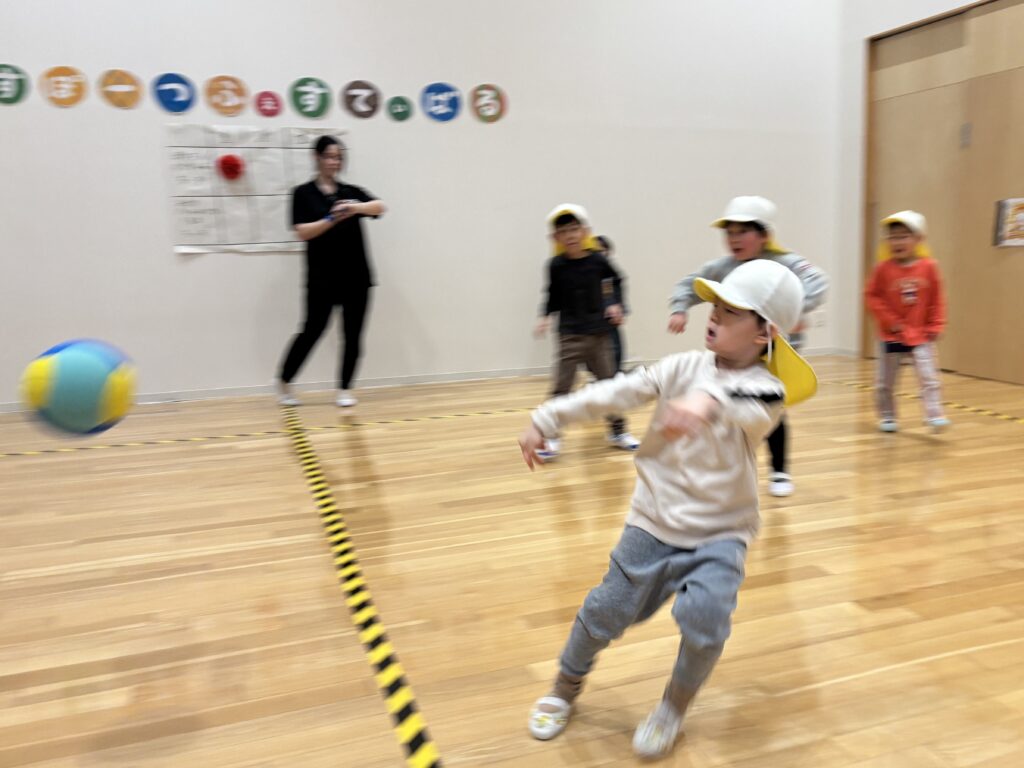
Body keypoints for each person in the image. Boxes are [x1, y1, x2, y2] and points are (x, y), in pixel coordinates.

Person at [520, 258, 817, 759]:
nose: (714, 315)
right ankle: (564, 686)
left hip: (721, 534)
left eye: (731, 311)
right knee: (604, 612)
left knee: (706, 621)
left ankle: (672, 709)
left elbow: (746, 403)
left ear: (764, 332)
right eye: (715, 306)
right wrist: (547, 417)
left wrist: (706, 403)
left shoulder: (769, 389)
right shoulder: (681, 367)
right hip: (653, 522)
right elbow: (616, 392)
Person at [668, 196, 827, 497]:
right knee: (725, 403)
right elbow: (689, 284)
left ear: (764, 235)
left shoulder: (786, 263)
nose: (734, 239)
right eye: (730, 232)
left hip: (773, 352)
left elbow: (818, 282)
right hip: (737, 351)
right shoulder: (723, 268)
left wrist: (792, 311)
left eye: (743, 231)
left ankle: (779, 471)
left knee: (770, 408)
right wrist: (680, 308)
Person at [276, 136, 386, 407]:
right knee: (312, 330)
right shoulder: (302, 193)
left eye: (338, 157)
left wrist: (354, 207)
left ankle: (345, 389)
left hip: (357, 277)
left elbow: (379, 207)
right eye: (329, 156)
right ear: (316, 157)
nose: (334, 162)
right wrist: (331, 218)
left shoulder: (351, 191)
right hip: (321, 278)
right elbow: (302, 232)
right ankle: (285, 381)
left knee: (353, 334)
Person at [534, 205, 639, 458]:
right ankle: (551, 437)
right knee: (562, 388)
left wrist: (616, 303)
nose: (570, 235)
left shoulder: (598, 260)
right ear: (555, 238)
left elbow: (617, 280)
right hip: (570, 336)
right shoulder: (555, 265)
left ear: (585, 232)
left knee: (609, 386)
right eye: (563, 232)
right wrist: (545, 316)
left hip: (600, 336)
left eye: (574, 229)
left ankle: (617, 431)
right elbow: (552, 294)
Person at [864, 210, 949, 433]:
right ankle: (887, 416)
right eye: (892, 237)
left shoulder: (929, 267)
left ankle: (934, 414)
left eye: (903, 236)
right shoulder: (882, 269)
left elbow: (937, 298)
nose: (897, 242)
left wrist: (937, 324)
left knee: (929, 377)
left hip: (921, 334)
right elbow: (872, 297)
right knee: (885, 382)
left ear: (918, 239)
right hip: (891, 336)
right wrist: (890, 321)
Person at [595, 235, 627, 373]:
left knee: (616, 346)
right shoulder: (589, 270)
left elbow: (616, 291)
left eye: (602, 250)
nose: (600, 254)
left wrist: (621, 310)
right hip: (595, 317)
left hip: (611, 316)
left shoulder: (610, 271)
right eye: (596, 251)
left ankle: (617, 372)